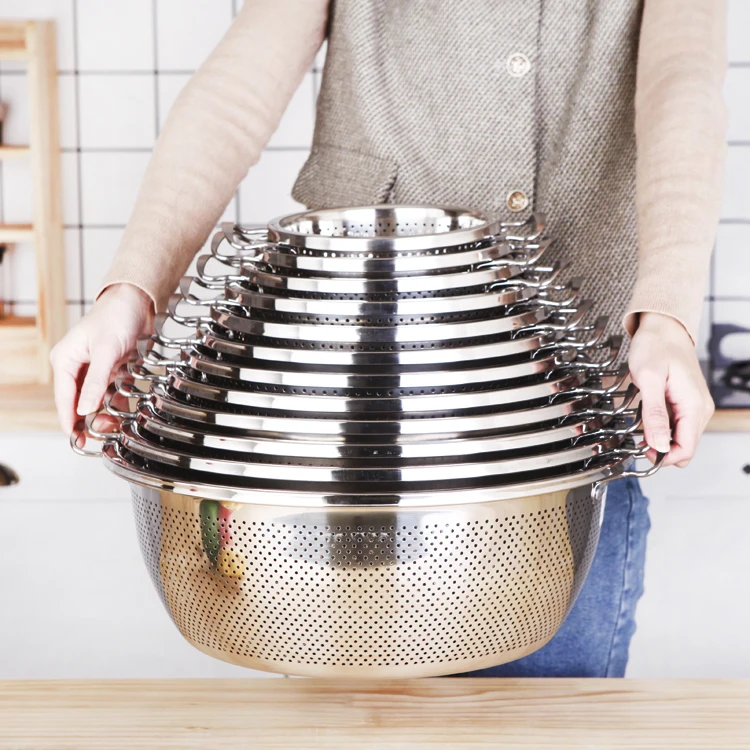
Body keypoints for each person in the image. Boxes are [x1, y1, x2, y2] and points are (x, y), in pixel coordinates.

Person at [51, 0, 727, 677]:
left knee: (551, 713)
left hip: (566, 418)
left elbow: (682, 86)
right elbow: (237, 87)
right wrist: (130, 289)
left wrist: (666, 315)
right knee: (339, 717)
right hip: (339, 424)